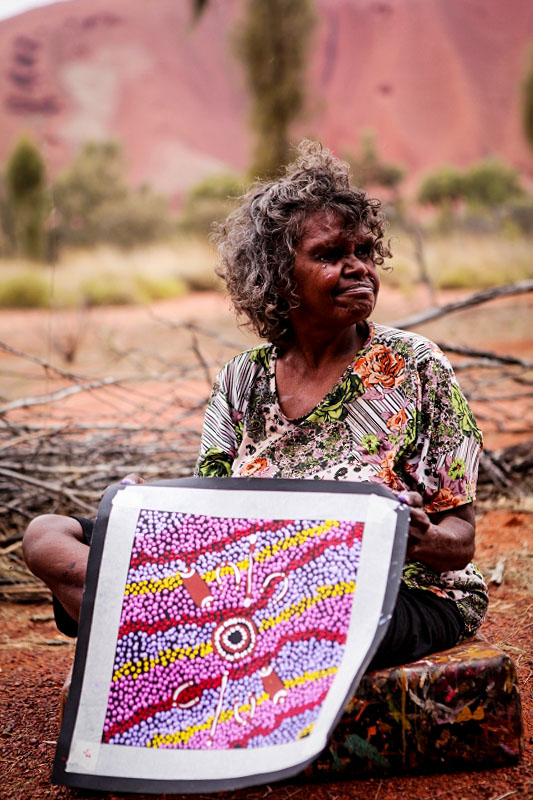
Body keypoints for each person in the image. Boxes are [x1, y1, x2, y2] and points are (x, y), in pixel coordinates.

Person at [23, 141, 488, 669]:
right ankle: (188, 633)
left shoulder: (414, 366)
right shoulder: (241, 380)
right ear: (278, 276)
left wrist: (422, 537)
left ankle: (163, 639)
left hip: (390, 592)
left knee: (303, 604)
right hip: (252, 578)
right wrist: (142, 508)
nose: (358, 267)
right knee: (48, 537)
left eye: (362, 251)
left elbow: (461, 540)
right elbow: (212, 516)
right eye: (331, 255)